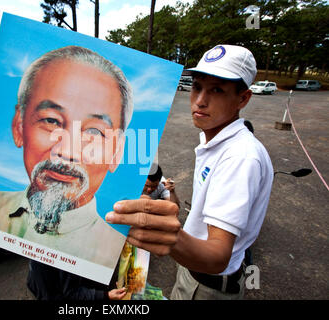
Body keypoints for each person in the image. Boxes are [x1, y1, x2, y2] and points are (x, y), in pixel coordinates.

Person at [106, 44, 273, 300]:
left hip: (207, 285)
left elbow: (218, 256)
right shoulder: (218, 142)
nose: (200, 100)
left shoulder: (240, 156)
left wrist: (169, 237)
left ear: (243, 98)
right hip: (194, 270)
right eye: (197, 86)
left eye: (217, 90)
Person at [0, 45, 134, 270]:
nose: (67, 152)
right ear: (19, 127)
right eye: (51, 121)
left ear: (117, 152)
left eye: (94, 132)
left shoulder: (122, 253)